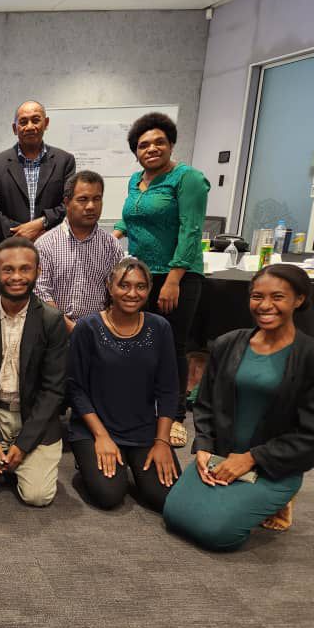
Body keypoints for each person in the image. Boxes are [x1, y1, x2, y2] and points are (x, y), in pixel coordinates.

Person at [163, 265, 314, 550]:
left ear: (299, 299)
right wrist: (205, 447)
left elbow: (313, 433)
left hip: (273, 466)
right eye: (257, 296)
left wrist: (250, 458)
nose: (265, 305)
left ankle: (280, 500)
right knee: (175, 515)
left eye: (278, 297)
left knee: (216, 533)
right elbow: (205, 404)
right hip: (220, 457)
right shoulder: (227, 344)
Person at [114, 112, 210, 448]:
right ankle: (143, 407)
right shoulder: (135, 181)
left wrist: (174, 278)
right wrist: (115, 234)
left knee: (173, 348)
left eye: (159, 142)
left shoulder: (188, 179)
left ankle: (176, 416)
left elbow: (191, 229)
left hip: (177, 276)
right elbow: (134, 219)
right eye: (143, 145)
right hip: (141, 277)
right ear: (135, 151)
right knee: (140, 342)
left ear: (170, 144)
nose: (151, 149)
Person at [0, 238, 68, 506]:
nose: (16, 277)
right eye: (7, 270)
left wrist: (25, 444)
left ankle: (17, 459)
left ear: (37, 271)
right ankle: (3, 456)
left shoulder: (52, 320)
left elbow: (54, 390)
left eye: (25, 269)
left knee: (38, 497)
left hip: (35, 417)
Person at [67, 258, 180, 511]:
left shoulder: (160, 328)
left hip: (142, 429)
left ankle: (130, 459)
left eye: (140, 286)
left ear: (149, 290)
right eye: (124, 285)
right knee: (109, 496)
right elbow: (75, 389)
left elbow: (169, 389)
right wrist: (101, 436)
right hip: (94, 427)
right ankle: (85, 464)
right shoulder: (88, 327)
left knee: (166, 498)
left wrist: (162, 442)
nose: (132, 293)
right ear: (110, 286)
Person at [0, 101, 76, 290]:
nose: (30, 126)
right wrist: (22, 234)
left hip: (53, 253)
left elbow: (70, 205)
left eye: (35, 120)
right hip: (7, 255)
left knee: (49, 316)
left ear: (46, 123)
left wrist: (41, 224)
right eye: (23, 122)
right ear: (15, 128)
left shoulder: (65, 161)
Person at [34, 170, 122, 332]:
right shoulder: (45, 245)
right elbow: (41, 294)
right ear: (67, 202)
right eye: (83, 199)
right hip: (55, 334)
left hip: (100, 332)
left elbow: (116, 294)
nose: (91, 206)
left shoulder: (111, 245)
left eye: (97, 199)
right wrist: (73, 330)